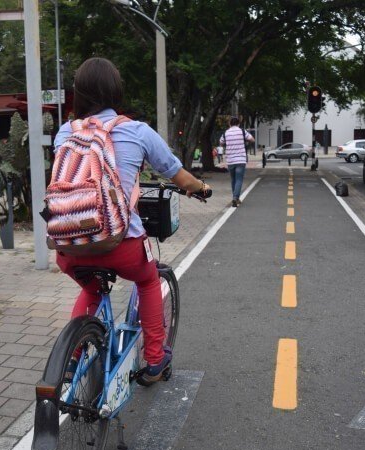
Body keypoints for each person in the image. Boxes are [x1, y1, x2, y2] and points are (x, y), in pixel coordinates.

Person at [53, 58, 210, 385]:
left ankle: (70, 358)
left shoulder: (65, 132)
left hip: (69, 246)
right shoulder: (137, 131)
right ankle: (154, 361)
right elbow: (177, 174)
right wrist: (201, 188)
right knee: (149, 280)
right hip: (119, 243)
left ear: (78, 94)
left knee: (91, 287)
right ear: (116, 90)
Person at [220, 116, 254, 207]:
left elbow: (221, 142)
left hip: (230, 160)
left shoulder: (226, 132)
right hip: (240, 159)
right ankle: (235, 197)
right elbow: (252, 139)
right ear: (238, 123)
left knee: (233, 179)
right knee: (239, 179)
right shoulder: (242, 131)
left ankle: (236, 198)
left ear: (229, 123)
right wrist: (244, 140)